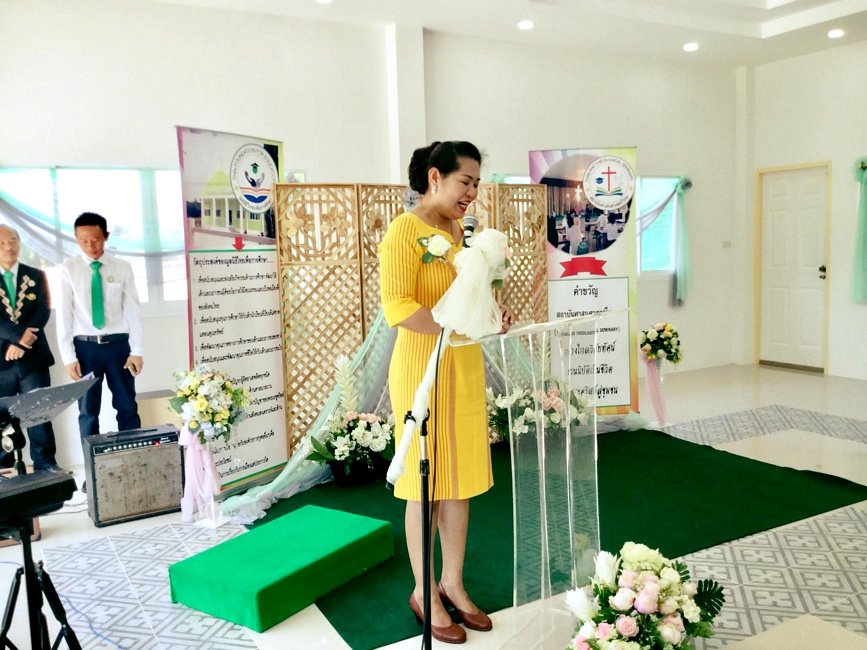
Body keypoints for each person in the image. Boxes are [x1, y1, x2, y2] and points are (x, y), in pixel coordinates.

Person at [378, 141, 512, 645]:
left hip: (463, 365)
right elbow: (398, 307)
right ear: (435, 177)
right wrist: (454, 324)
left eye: (477, 184)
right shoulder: (404, 230)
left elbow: (478, 297)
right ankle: (423, 591)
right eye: (465, 182)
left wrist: (492, 315)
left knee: (459, 479)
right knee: (426, 483)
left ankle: (452, 582)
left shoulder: (465, 233)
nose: (472, 193)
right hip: (421, 368)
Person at [56, 213, 143, 458]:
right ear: (76, 239)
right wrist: (68, 357)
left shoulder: (122, 267)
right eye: (83, 240)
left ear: (105, 236)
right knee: (88, 411)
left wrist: (137, 351)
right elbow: (64, 316)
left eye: (95, 239)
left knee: (126, 405)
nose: (90, 246)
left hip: (119, 346)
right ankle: (92, 466)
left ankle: (134, 459)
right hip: (85, 350)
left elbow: (133, 310)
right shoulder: (68, 270)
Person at [0, 225, 64, 473]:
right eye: (2, 243)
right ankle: (4, 468)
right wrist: (17, 338)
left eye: (13, 241)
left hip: (33, 357)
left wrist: (23, 343)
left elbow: (42, 310)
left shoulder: (36, 275)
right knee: (2, 417)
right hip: (2, 360)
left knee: (39, 412)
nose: (9, 247)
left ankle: (46, 464)